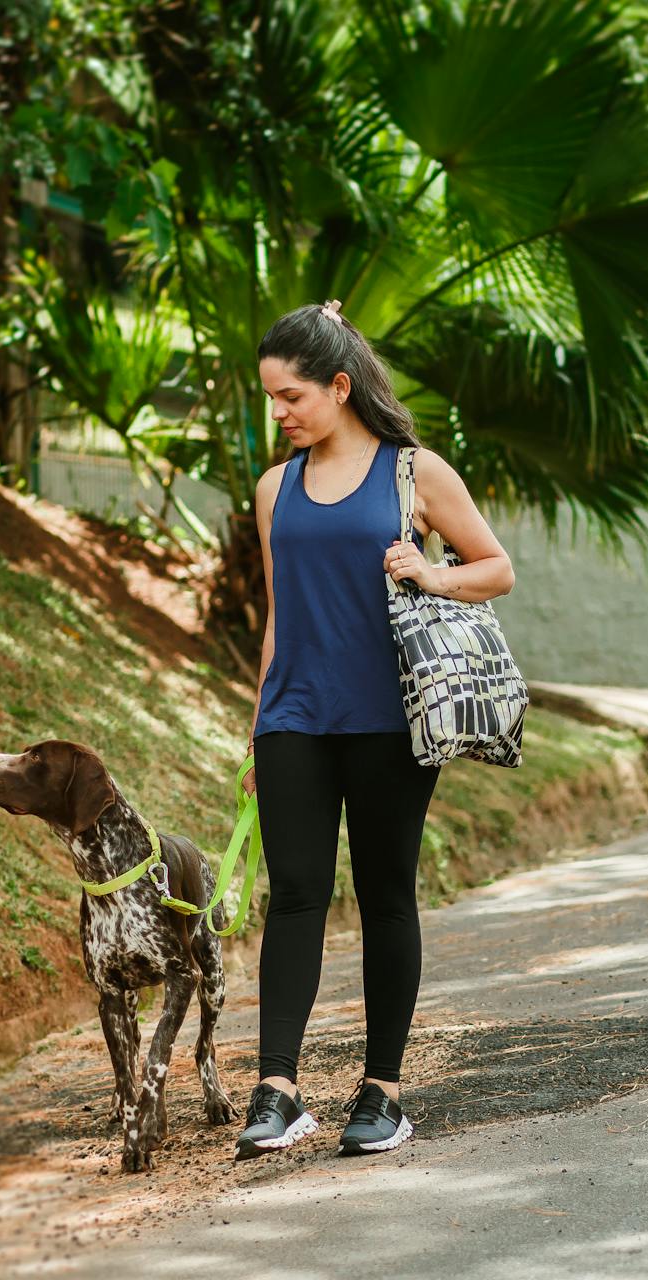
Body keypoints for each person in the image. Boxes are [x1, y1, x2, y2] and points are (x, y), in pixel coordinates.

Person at [233, 298, 515, 1160]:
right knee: (295, 897)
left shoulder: (414, 473)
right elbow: (280, 615)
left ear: (339, 385)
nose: (277, 414)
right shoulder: (273, 488)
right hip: (295, 720)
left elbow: (497, 569)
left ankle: (381, 1093)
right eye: (271, 399)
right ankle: (277, 1090)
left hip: (391, 721)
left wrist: (430, 574)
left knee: (387, 894)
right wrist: (256, 734)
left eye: (290, 397)